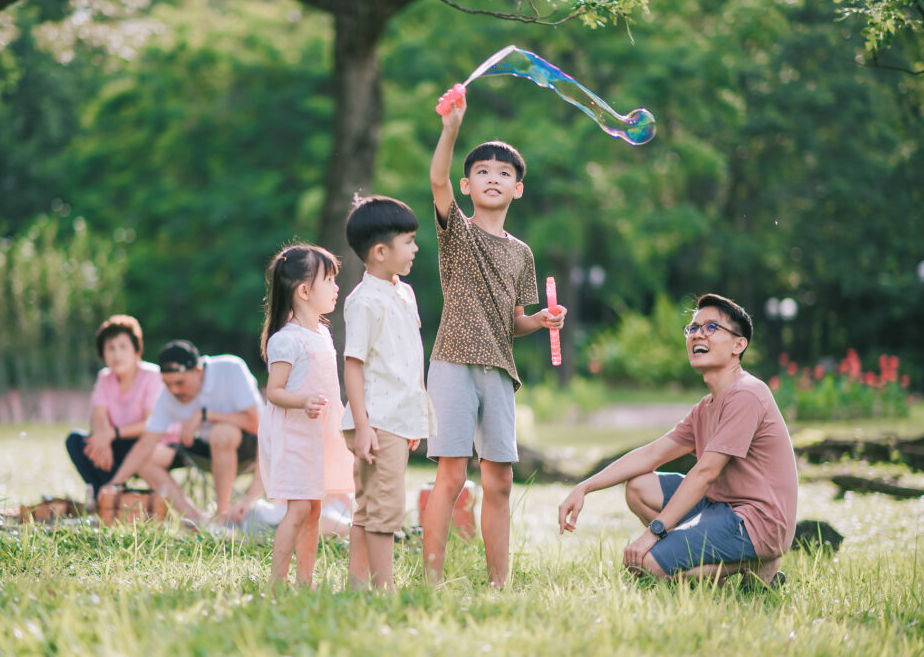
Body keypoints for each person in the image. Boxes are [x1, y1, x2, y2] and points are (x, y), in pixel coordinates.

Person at [422, 96, 565, 587]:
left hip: (500, 369)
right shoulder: (456, 232)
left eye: (504, 173)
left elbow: (513, 321)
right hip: (453, 363)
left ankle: (498, 582)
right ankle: (433, 578)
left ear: (518, 189)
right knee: (452, 475)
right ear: (468, 185)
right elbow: (437, 180)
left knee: (499, 479)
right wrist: (451, 128)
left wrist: (542, 321)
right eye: (482, 171)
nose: (492, 178)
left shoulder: (521, 253)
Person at [558, 294, 797, 585]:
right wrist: (584, 487)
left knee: (647, 566)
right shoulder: (705, 407)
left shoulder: (746, 394)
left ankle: (756, 564)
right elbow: (651, 454)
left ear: (739, 345)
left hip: (757, 522)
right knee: (638, 486)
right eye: (693, 328)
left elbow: (706, 472)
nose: (697, 333)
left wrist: (653, 534)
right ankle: (708, 559)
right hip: (719, 507)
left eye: (711, 328)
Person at [340, 195, 436, 591]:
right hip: (375, 422)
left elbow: (404, 363)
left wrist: (412, 419)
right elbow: (353, 365)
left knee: (368, 507)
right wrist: (363, 427)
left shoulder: (404, 292)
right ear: (381, 251)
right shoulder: (363, 301)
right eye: (408, 240)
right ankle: (383, 589)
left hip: (394, 418)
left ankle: (358, 584)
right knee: (386, 510)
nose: (415, 248)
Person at [258, 244, 355, 588]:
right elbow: (274, 391)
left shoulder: (322, 333)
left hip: (319, 436)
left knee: (314, 509)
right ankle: (277, 580)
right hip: (296, 437)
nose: (336, 287)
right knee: (298, 509)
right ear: (303, 291)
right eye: (329, 280)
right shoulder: (287, 340)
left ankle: (304, 579)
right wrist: (302, 402)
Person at [99, 339, 263, 525]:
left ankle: (222, 516)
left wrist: (205, 415)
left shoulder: (230, 368)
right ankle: (196, 519)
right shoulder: (169, 395)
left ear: (198, 370)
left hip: (250, 446)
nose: (174, 390)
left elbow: (256, 423)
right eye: (167, 384)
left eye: (179, 382)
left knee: (222, 432)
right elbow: (145, 444)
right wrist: (115, 483)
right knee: (147, 459)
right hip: (207, 448)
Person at [66, 315, 167, 503]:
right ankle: (106, 496)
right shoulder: (105, 377)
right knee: (76, 441)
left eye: (123, 347)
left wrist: (112, 434)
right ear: (102, 353)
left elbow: (151, 423)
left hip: (146, 443)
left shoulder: (152, 376)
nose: (116, 354)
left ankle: (111, 495)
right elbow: (97, 415)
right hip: (114, 442)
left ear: (136, 350)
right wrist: (103, 440)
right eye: (110, 348)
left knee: (124, 445)